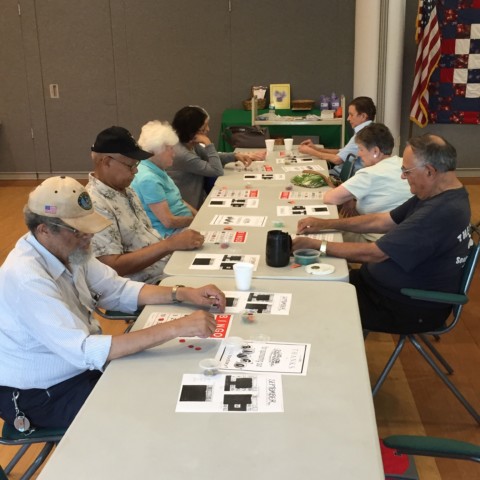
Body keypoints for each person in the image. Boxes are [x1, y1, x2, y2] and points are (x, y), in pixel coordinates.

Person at [0, 176, 226, 429]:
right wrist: (177, 327)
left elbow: (117, 289)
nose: (88, 237)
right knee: (147, 417)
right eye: (78, 231)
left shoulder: (69, 251)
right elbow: (86, 350)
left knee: (165, 383)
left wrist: (183, 293)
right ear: (44, 230)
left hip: (81, 371)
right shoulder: (26, 278)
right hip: (42, 394)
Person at [293, 134, 471, 334]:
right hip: (380, 289)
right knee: (311, 282)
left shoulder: (440, 212)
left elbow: (375, 253)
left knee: (309, 300)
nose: (403, 177)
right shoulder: (438, 193)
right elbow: (382, 220)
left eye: (407, 171)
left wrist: (317, 245)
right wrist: (324, 224)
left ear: (429, 171)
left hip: (405, 306)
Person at [86, 126, 205, 284]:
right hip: (144, 285)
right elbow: (112, 266)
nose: (135, 171)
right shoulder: (95, 203)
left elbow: (147, 234)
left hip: (164, 266)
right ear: (107, 162)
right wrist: (169, 245)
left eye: (137, 164)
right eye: (130, 165)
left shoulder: (126, 190)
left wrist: (171, 246)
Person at [320, 123, 412, 242]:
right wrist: (351, 197)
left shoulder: (370, 173)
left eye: (361, 149)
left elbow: (330, 198)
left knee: (324, 233)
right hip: (405, 237)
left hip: (377, 240)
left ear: (375, 151)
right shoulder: (402, 163)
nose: (358, 154)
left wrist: (349, 197)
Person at [168, 105, 265, 209]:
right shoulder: (182, 154)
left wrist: (235, 156)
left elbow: (208, 156)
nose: (208, 129)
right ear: (192, 131)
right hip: (187, 207)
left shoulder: (188, 143)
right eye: (204, 127)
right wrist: (208, 143)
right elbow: (216, 170)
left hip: (197, 199)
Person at [131, 120, 197, 237]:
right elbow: (168, 222)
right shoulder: (149, 179)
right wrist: (197, 221)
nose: (173, 154)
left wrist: (198, 216)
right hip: (169, 235)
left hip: (184, 226)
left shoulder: (156, 168)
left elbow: (178, 200)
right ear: (156, 151)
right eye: (169, 148)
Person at [298, 96, 376, 176]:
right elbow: (341, 152)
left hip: (339, 176)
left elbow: (337, 159)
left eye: (351, 115)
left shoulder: (363, 135)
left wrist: (311, 152)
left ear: (363, 116)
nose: (348, 119)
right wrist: (316, 149)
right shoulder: (368, 130)